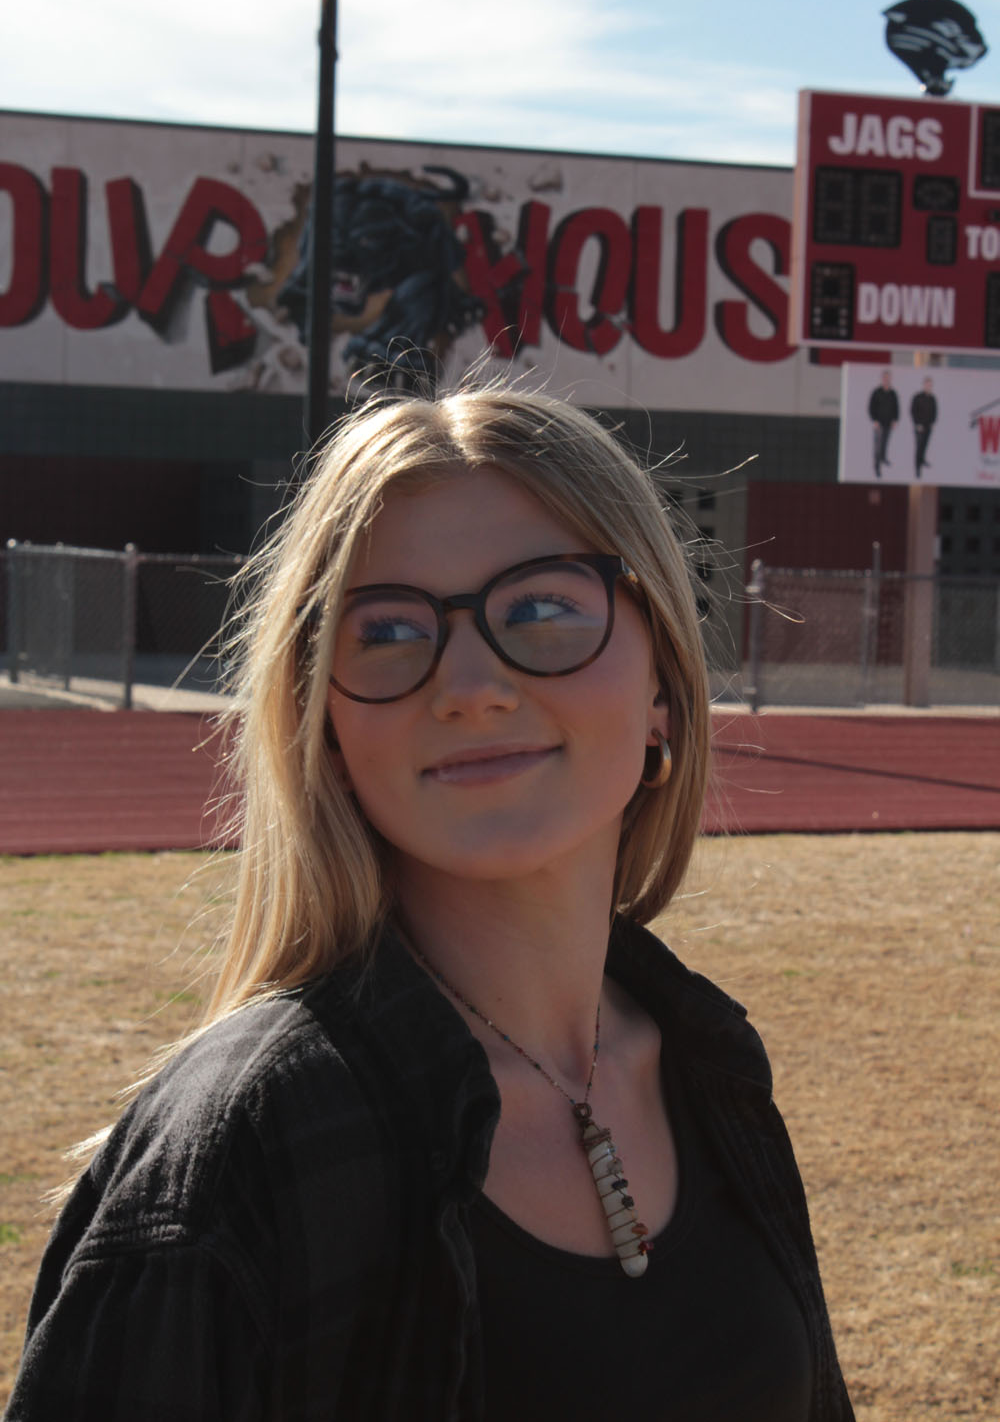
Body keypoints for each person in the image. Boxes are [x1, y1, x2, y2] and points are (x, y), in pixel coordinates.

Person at [6, 385, 854, 1422]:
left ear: (664, 692)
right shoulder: (242, 1150)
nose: (467, 682)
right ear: (325, 728)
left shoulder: (709, 1063)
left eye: (543, 609)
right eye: (390, 631)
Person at [868, 369, 899, 478]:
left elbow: (896, 407)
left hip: (888, 423)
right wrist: (875, 420)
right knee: (878, 446)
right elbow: (871, 407)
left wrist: (895, 419)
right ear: (882, 379)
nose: (887, 380)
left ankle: (883, 458)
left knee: (885, 443)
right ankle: (877, 468)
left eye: (888, 378)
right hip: (879, 424)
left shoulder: (893, 393)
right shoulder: (877, 392)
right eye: (885, 378)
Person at [911, 374, 937, 477]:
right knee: (919, 447)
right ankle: (917, 469)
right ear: (924, 385)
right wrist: (917, 424)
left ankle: (922, 461)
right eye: (927, 384)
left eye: (930, 385)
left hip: (928, 426)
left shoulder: (932, 398)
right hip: (919, 427)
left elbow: (935, 412)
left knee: (924, 446)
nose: (929, 387)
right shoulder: (918, 397)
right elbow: (913, 411)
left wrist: (932, 423)